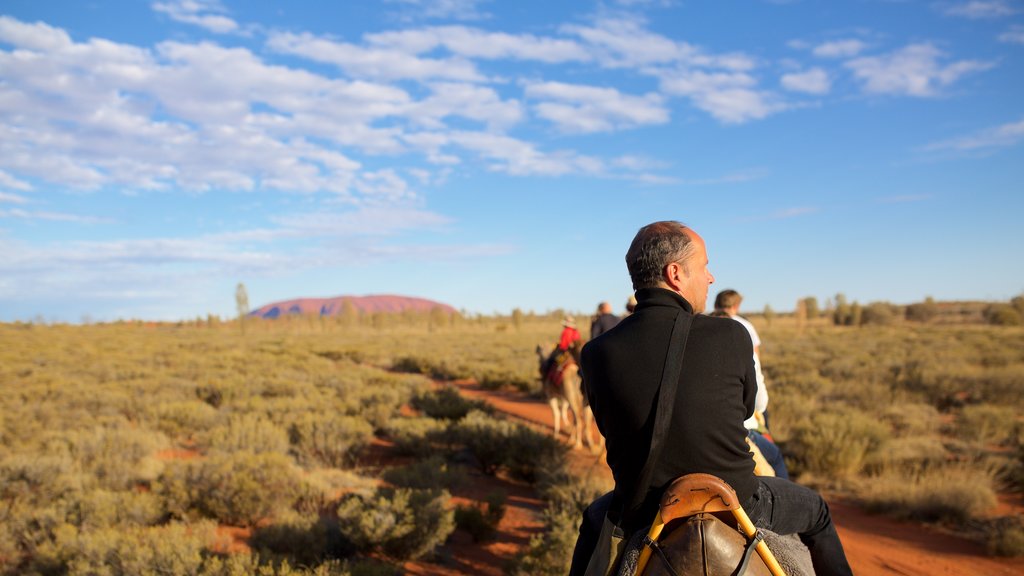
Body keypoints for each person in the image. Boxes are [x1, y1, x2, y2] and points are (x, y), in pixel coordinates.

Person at [572, 221, 851, 576]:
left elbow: (606, 423)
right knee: (817, 510)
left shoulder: (596, 352)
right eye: (704, 266)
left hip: (643, 508)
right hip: (739, 499)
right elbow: (747, 408)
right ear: (675, 273)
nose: (711, 277)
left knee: (591, 521)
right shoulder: (731, 334)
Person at [713, 289, 789, 479]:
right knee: (775, 457)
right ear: (736, 305)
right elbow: (758, 402)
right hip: (738, 428)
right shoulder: (744, 326)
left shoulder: (699, 326)